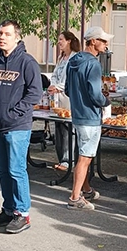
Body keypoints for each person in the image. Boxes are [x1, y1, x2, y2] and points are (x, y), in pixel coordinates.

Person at [0, 20, 43, 234]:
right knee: (4, 170)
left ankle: (22, 213)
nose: (2, 37)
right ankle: (9, 209)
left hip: (17, 126)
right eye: (0, 33)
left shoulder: (27, 62)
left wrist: (14, 113)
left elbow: (35, 93)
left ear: (17, 37)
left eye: (7, 34)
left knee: (16, 169)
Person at [65, 26, 111, 210]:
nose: (106, 44)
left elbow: (68, 89)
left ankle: (86, 189)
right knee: (85, 157)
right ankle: (75, 197)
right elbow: (95, 93)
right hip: (90, 116)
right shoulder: (93, 63)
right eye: (103, 41)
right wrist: (105, 102)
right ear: (94, 41)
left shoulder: (73, 61)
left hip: (77, 114)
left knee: (82, 153)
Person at [49, 30, 80, 170]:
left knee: (69, 129)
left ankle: (68, 159)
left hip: (68, 98)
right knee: (59, 128)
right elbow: (55, 75)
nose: (59, 42)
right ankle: (61, 158)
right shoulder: (61, 58)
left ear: (68, 41)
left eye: (61, 39)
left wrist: (59, 87)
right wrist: (53, 85)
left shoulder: (75, 58)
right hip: (57, 98)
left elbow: (71, 79)